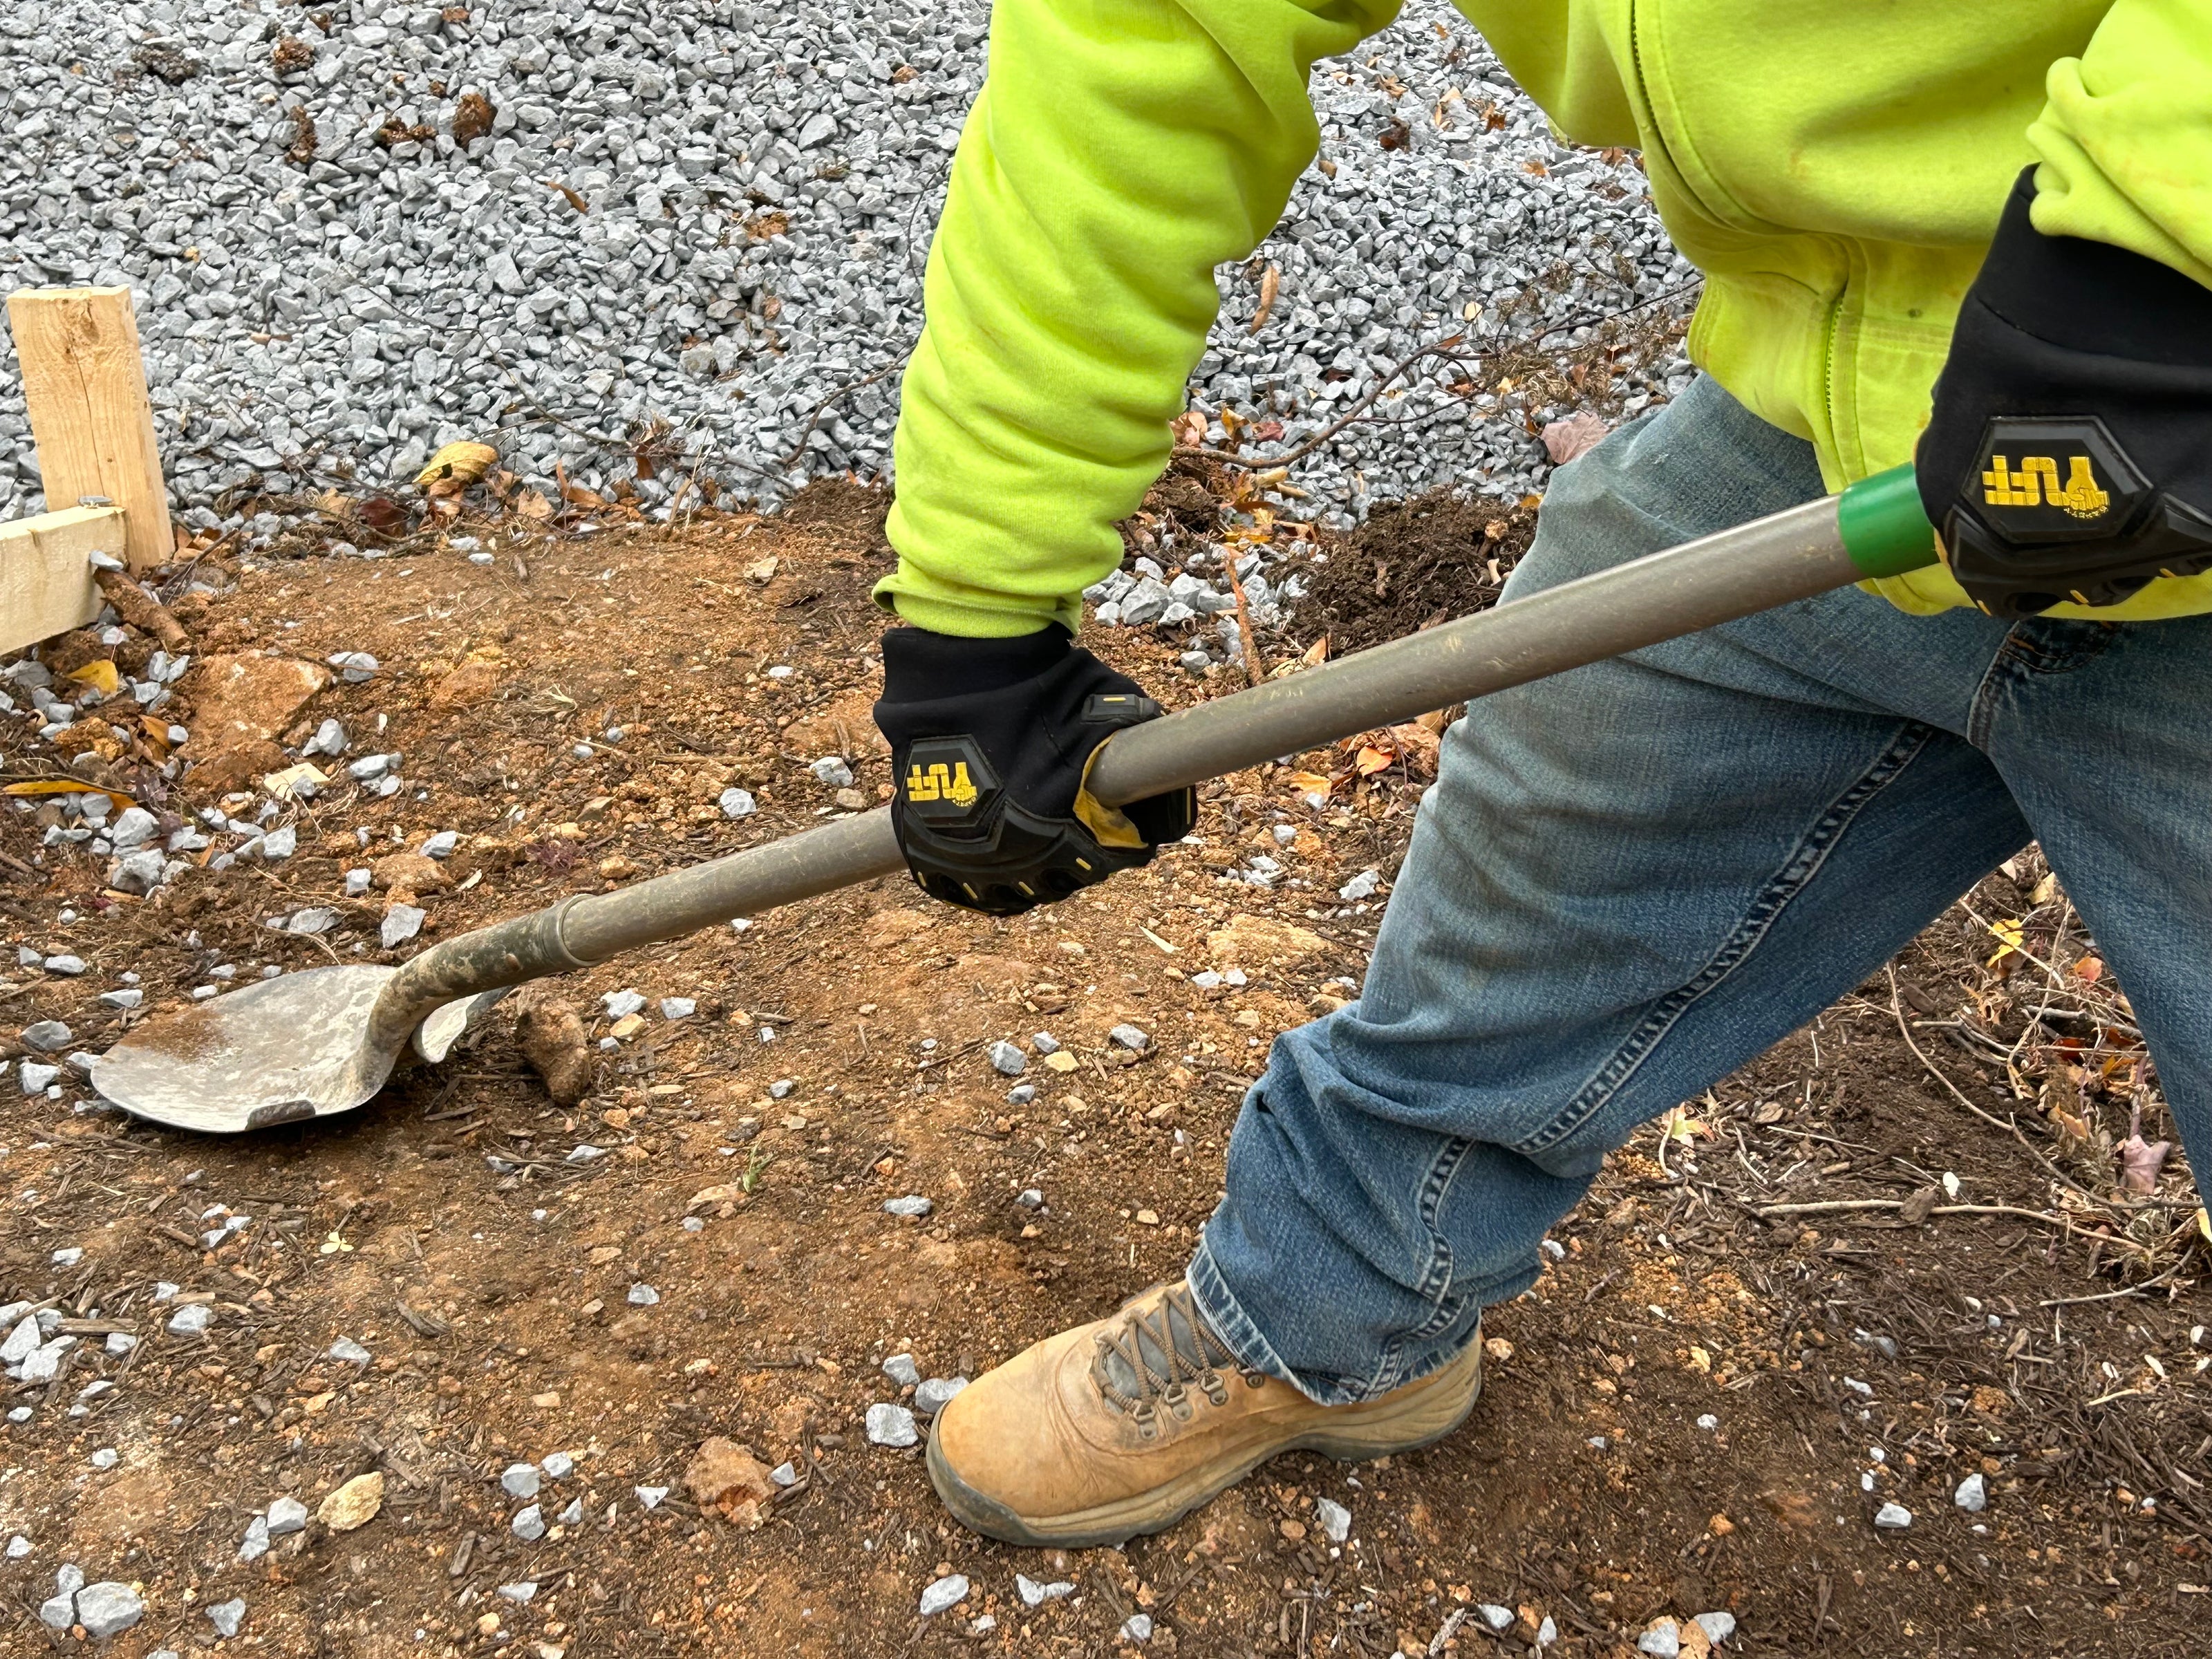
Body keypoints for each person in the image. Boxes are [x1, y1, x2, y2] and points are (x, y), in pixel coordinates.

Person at [866, 1, 2212, 1548]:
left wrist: (2157, 242)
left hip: (2171, 367)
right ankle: (1329, 1323)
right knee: (1509, 918)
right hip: (1827, 447)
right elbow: (1148, 40)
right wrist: (975, 612)